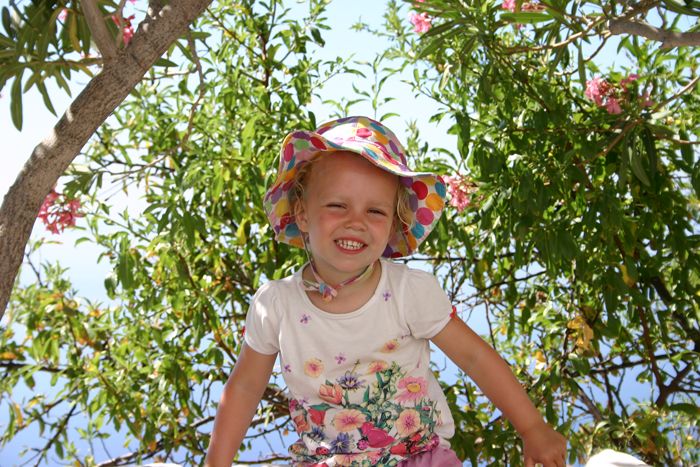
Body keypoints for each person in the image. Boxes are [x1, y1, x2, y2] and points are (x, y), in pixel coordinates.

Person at [205, 116, 567, 467]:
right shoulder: (275, 305)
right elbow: (245, 388)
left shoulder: (409, 292)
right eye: (337, 205)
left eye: (375, 211)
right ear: (302, 213)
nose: (356, 222)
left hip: (418, 457)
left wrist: (531, 427)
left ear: (394, 225)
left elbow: (474, 358)